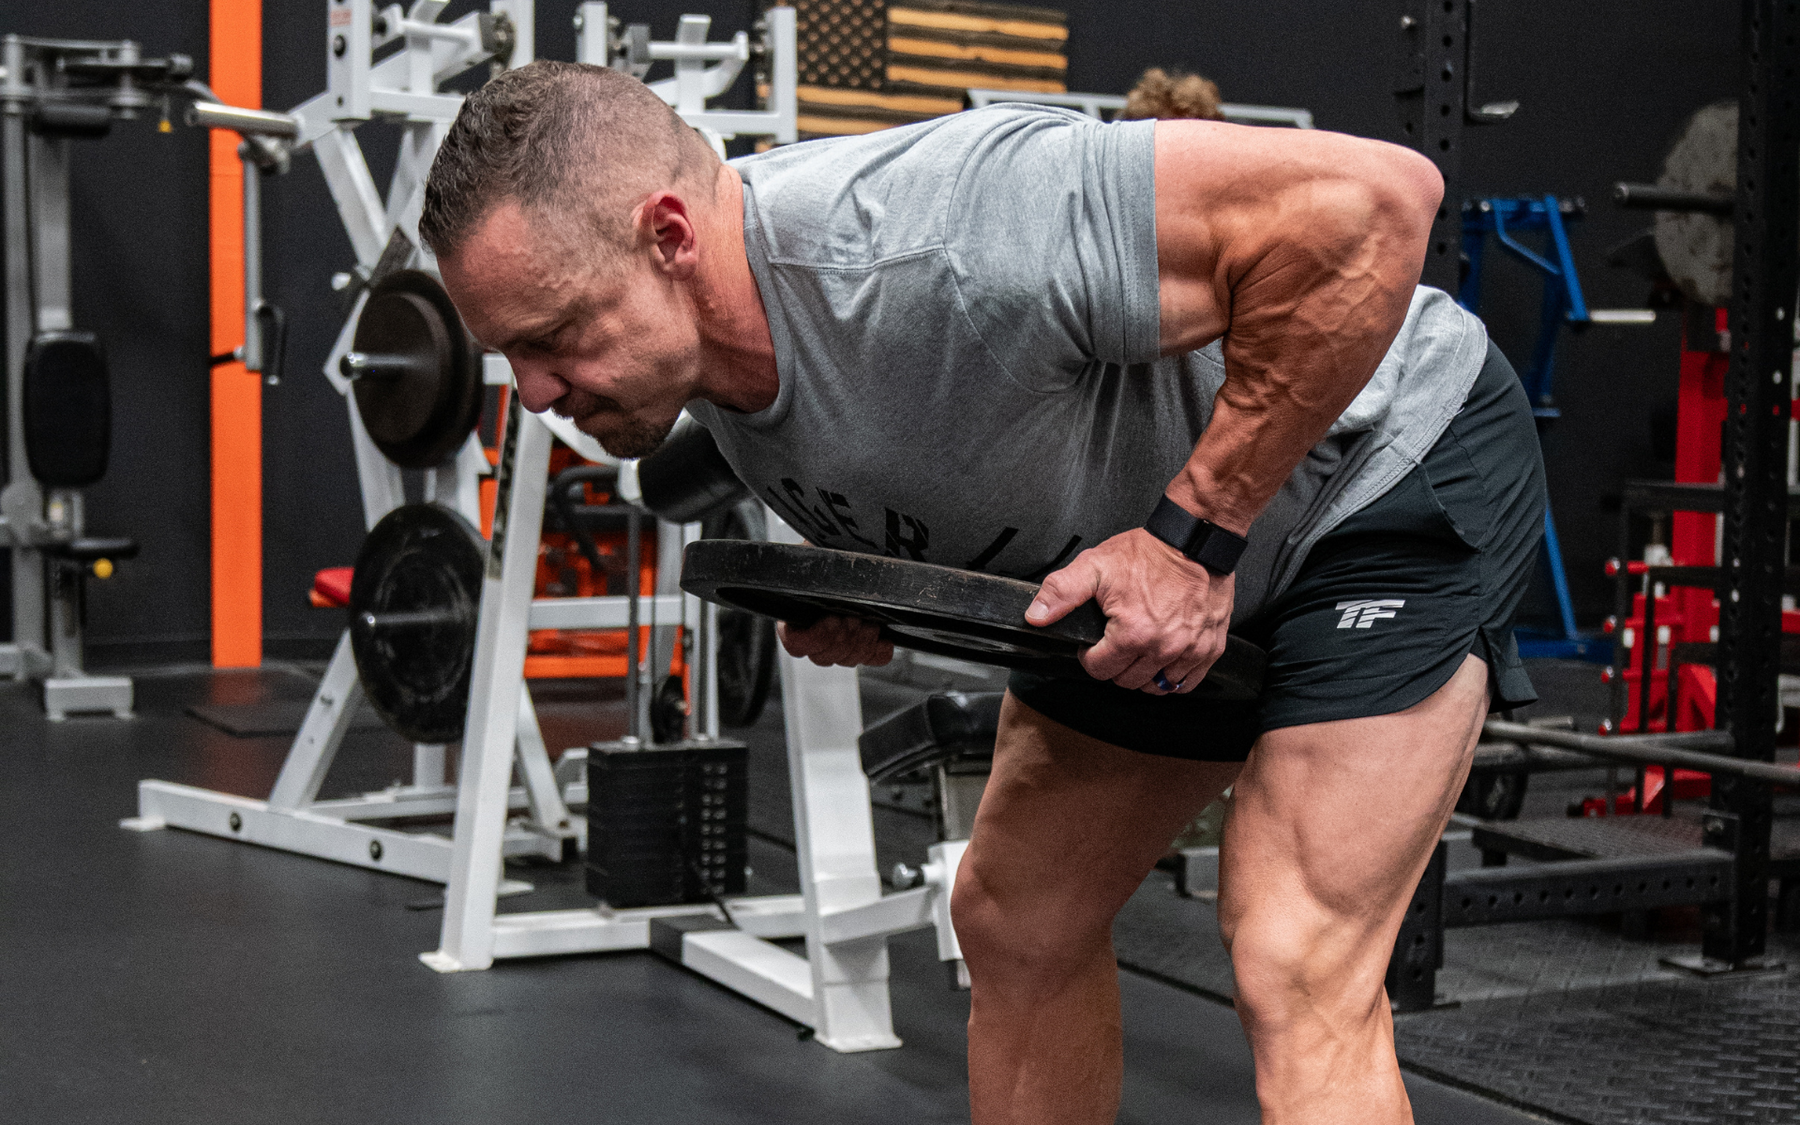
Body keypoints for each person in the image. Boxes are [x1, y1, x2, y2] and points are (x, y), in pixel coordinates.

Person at [420, 61, 1545, 1125]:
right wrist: (863, 571)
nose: (536, 392)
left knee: (1292, 952)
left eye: (554, 337)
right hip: (1151, 552)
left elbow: (1376, 206)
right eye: (508, 353)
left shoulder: (947, 232)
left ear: (670, 236)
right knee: (1015, 917)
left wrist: (1194, 535)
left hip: (1379, 477)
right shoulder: (686, 345)